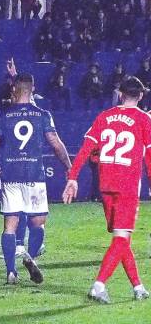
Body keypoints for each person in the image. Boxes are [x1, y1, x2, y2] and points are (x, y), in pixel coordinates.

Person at [0, 73, 72, 285]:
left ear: (14, 90)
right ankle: (30, 258)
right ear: (32, 89)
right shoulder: (42, 114)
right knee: (38, 224)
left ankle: (11, 272)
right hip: (34, 176)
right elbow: (56, 144)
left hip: (11, 176)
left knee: (10, 225)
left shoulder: (3, 115)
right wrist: (69, 169)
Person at [63, 77, 151, 303]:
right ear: (140, 96)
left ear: (120, 94)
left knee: (121, 238)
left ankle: (138, 287)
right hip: (127, 187)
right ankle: (98, 285)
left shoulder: (104, 117)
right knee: (121, 239)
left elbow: (85, 149)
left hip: (106, 186)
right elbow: (149, 157)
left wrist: (73, 177)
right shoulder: (144, 119)